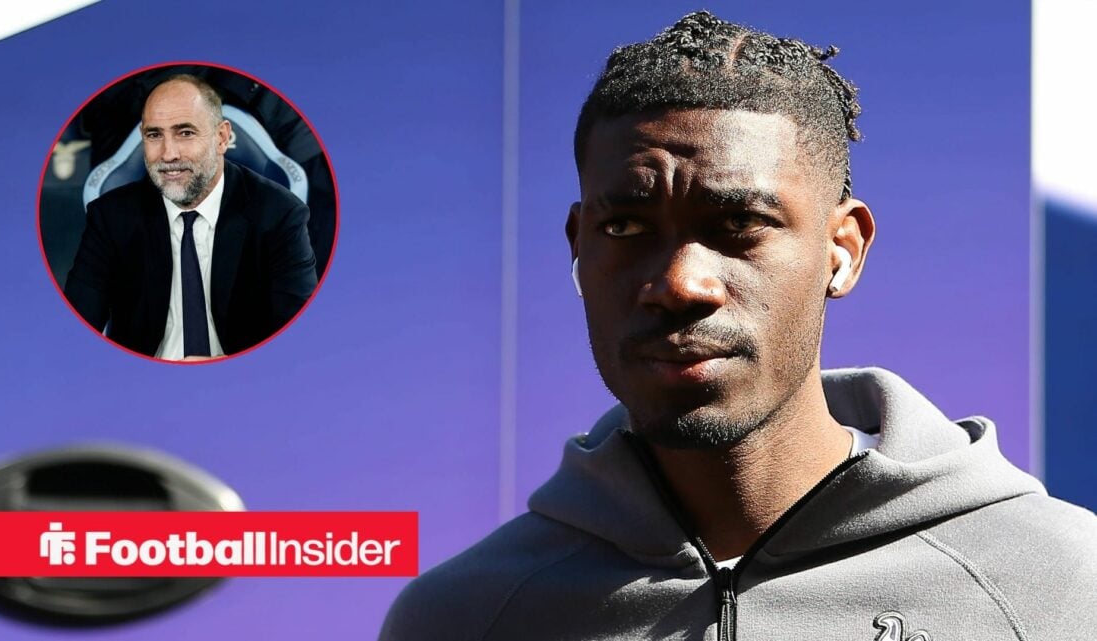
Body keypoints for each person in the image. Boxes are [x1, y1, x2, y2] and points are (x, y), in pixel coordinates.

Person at [379, 11, 1097, 640]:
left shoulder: (1060, 586)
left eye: (739, 224)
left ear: (841, 251)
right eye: (626, 225)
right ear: (577, 246)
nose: (678, 284)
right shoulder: (464, 617)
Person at [64, 75, 318, 360]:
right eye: (154, 135)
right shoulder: (111, 217)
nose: (168, 154)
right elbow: (74, 337)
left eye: (185, 133)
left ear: (221, 137)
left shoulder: (280, 215)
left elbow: (299, 345)